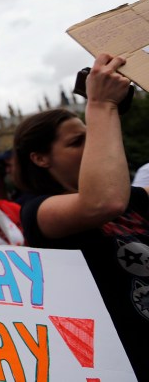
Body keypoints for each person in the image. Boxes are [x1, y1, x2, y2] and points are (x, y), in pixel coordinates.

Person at [14, 53, 147, 380]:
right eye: (78, 142)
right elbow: (103, 201)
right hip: (125, 364)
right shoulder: (38, 211)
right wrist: (101, 106)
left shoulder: (135, 198)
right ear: (40, 158)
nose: (94, 143)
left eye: (92, 134)